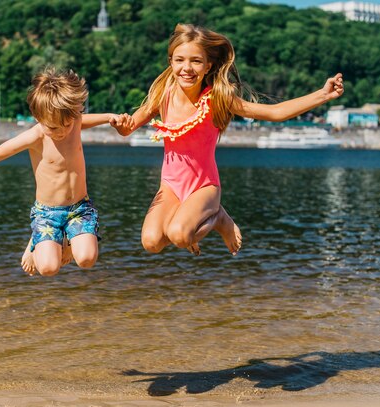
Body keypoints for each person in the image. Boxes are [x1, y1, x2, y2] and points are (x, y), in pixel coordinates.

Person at [113, 23, 344, 256]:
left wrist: (323, 94)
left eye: (196, 61)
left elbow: (275, 113)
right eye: (180, 60)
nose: (187, 68)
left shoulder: (216, 98)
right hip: (170, 185)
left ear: (208, 65)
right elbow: (129, 128)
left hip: (204, 187)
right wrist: (122, 126)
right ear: (171, 62)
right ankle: (190, 227)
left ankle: (219, 218)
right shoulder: (163, 95)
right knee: (151, 243)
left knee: (179, 235)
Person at [0, 68, 130, 277]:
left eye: (66, 125)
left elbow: (83, 120)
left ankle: (66, 239)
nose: (61, 132)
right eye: (53, 128)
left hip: (79, 207)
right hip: (47, 213)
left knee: (86, 259)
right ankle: (36, 241)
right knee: (48, 268)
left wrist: (109, 117)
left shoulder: (73, 121)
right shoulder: (35, 136)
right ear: (38, 117)